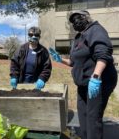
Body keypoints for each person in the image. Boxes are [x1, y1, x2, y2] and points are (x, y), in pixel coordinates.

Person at [49, 10, 117, 139]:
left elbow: (103, 54)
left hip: (99, 81)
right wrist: (60, 59)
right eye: (73, 20)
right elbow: (73, 62)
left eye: (78, 17)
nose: (76, 21)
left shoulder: (95, 29)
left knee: (93, 117)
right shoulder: (78, 38)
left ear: (87, 18)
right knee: (83, 114)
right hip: (83, 83)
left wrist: (96, 77)